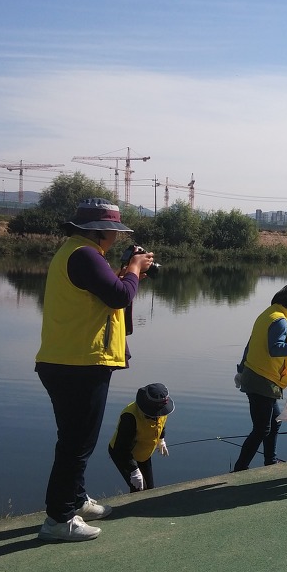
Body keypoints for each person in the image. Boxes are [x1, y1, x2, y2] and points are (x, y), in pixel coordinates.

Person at [36, 198, 154, 542]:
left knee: (75, 440)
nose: (116, 237)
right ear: (102, 232)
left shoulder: (79, 253)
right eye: (114, 231)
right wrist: (132, 269)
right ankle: (59, 520)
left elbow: (107, 294)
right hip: (78, 363)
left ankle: (75, 500)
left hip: (69, 360)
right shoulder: (85, 254)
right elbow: (119, 296)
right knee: (76, 444)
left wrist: (130, 273)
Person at [233, 284, 287, 472]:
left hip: (254, 376)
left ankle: (270, 461)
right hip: (262, 381)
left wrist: (241, 369)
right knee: (261, 429)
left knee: (274, 422)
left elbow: (250, 345)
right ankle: (241, 468)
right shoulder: (280, 320)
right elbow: (276, 349)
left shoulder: (266, 315)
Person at [108, 383, 175, 492]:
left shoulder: (162, 410)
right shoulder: (129, 417)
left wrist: (161, 439)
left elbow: (161, 425)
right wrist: (133, 470)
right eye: (153, 413)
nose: (157, 416)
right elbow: (121, 449)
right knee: (138, 489)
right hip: (123, 454)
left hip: (144, 453)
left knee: (149, 490)